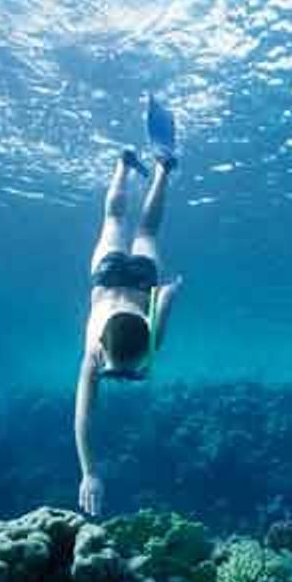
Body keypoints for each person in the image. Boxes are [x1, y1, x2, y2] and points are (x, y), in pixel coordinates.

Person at [74, 121, 181, 516]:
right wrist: (89, 472)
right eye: (125, 371)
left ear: (103, 345)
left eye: (114, 371)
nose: (114, 373)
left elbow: (164, 301)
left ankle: (161, 169)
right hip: (105, 277)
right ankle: (123, 163)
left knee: (145, 229)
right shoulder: (97, 354)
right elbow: (82, 418)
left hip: (141, 283)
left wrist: (170, 292)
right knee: (118, 221)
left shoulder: (145, 342)